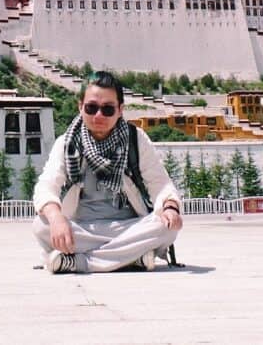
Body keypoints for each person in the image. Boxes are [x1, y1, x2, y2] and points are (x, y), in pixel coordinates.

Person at [32, 70, 183, 274]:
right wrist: (57, 218)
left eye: (107, 109)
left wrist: (170, 207)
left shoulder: (135, 140)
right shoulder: (66, 143)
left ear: (120, 110)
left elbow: (160, 183)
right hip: (83, 228)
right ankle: (132, 257)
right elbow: (46, 186)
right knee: (42, 225)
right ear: (80, 107)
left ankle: (79, 263)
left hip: (128, 226)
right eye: (91, 108)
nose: (98, 116)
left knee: (168, 227)